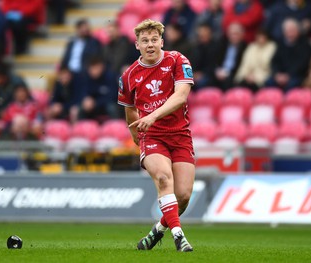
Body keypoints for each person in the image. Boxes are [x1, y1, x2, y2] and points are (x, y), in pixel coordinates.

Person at [118, 19, 195, 252]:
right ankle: (179, 236)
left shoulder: (177, 60)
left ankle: (157, 232)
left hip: (180, 135)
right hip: (152, 137)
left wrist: (152, 115)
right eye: (145, 41)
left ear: (162, 42)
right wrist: (135, 133)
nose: (150, 44)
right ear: (137, 45)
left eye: (154, 40)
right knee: (163, 179)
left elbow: (181, 96)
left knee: (182, 196)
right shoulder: (129, 76)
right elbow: (129, 107)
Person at [265, 18, 311, 91]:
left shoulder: (305, 45)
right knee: (269, 83)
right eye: (288, 31)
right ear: (284, 32)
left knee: (292, 85)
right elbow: (274, 61)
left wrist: (288, 75)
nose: (290, 33)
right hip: (280, 75)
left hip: (296, 75)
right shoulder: (281, 44)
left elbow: (303, 64)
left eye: (292, 30)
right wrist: (277, 74)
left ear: (298, 31)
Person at [79, 57, 120, 121]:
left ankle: (115, 126)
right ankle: (80, 128)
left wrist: (95, 103)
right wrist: (86, 99)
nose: (93, 71)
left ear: (101, 67)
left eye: (96, 68)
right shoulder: (86, 77)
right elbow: (83, 91)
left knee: (112, 107)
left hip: (105, 103)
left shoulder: (110, 76)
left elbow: (113, 96)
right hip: (91, 105)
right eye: (91, 69)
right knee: (80, 108)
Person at [213, 22, 247, 91]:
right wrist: (217, 70)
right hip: (220, 72)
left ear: (242, 35)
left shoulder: (245, 47)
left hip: (234, 74)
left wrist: (227, 73)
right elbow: (214, 60)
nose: (234, 36)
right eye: (231, 34)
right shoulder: (222, 45)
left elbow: (242, 66)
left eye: (236, 34)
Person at [191, 23, 218, 90]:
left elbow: (214, 65)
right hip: (196, 74)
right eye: (200, 33)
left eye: (204, 32)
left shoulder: (216, 47)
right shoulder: (196, 47)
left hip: (210, 74)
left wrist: (202, 74)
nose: (202, 34)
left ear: (210, 33)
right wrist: (194, 73)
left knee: (202, 82)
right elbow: (192, 63)